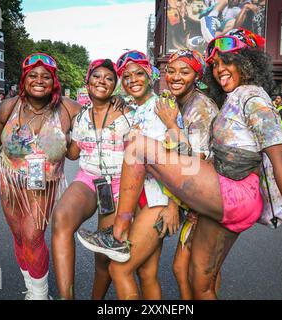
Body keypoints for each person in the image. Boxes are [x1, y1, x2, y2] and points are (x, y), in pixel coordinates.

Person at [78, 29, 282, 300]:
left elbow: (280, 156)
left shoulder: (251, 97)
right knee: (200, 282)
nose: (220, 69)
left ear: (248, 62)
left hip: (232, 192)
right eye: (216, 64)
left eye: (228, 60)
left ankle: (117, 234)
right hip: (225, 196)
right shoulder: (229, 97)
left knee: (138, 147)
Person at [0, 52, 81, 299]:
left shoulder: (69, 109)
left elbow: (82, 144)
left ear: (54, 81)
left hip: (45, 184)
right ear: (24, 80)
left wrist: (119, 105)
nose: (39, 80)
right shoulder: (7, 107)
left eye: (46, 76)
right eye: (33, 75)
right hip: (9, 181)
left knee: (33, 236)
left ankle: (40, 295)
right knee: (20, 237)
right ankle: (31, 288)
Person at [78, 50, 182, 300]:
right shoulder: (135, 109)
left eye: (139, 74)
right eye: (126, 76)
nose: (132, 79)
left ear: (149, 75)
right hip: (139, 200)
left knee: (119, 269)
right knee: (146, 274)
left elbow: (182, 156)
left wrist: (174, 205)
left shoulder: (162, 105)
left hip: (157, 201)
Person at [51, 59, 134, 300]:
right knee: (61, 218)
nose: (102, 81)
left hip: (118, 184)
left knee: (103, 254)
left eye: (109, 78)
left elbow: (138, 159)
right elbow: (73, 153)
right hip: (88, 179)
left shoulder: (126, 114)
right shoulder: (81, 117)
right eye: (97, 77)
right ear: (87, 83)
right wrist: (56, 137)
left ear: (114, 87)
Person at [154, 48, 219, 300]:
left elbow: (195, 161)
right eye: (171, 71)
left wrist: (173, 204)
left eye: (185, 71)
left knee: (198, 274)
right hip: (197, 197)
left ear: (197, 76)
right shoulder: (181, 103)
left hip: (207, 197)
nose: (176, 77)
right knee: (186, 270)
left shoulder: (199, 107)